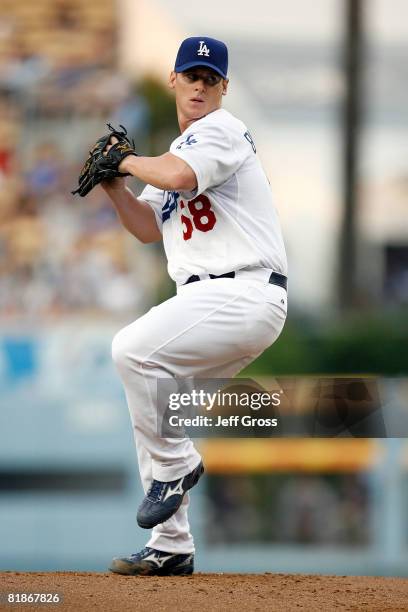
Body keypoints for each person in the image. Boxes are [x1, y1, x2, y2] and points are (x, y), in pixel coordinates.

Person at [104, 36, 288, 576]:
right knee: (157, 408)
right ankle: (172, 545)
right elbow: (145, 229)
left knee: (131, 351)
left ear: (224, 88)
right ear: (175, 80)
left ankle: (180, 465)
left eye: (211, 78)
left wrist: (130, 160)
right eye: (192, 75)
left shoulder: (220, 131)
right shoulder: (177, 150)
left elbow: (179, 178)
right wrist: (115, 185)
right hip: (212, 299)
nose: (200, 85)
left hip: (241, 291)